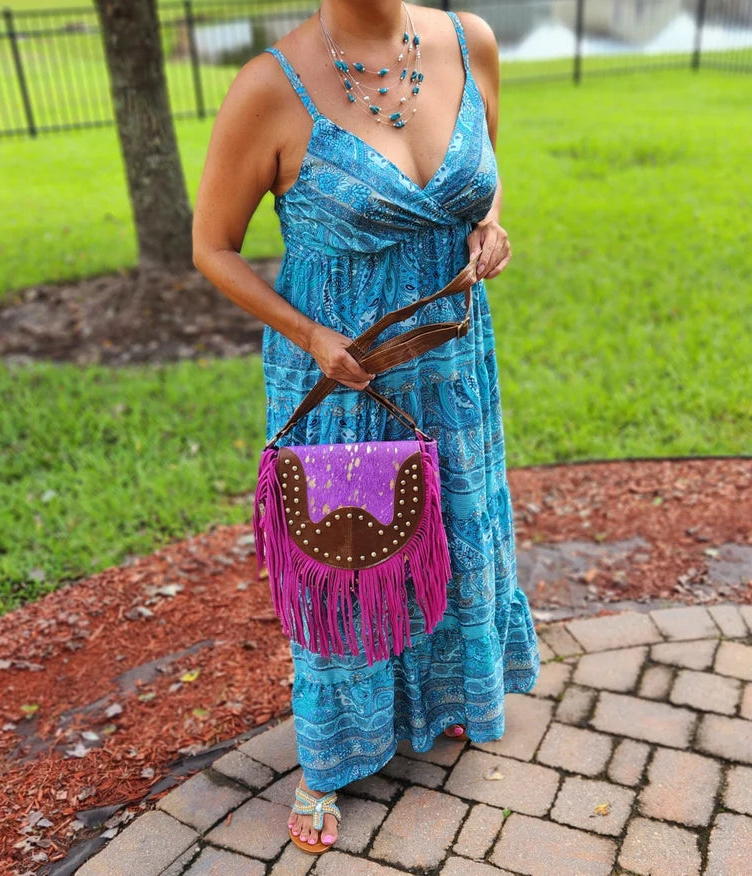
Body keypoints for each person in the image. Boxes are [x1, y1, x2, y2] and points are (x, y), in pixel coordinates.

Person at [192, 0, 540, 855]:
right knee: (351, 547)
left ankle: (452, 695)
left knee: (452, 523)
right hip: (344, 374)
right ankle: (332, 754)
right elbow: (212, 246)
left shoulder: (470, 42)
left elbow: (484, 172)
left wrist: (490, 224)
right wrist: (311, 336)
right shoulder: (268, 89)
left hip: (453, 358)